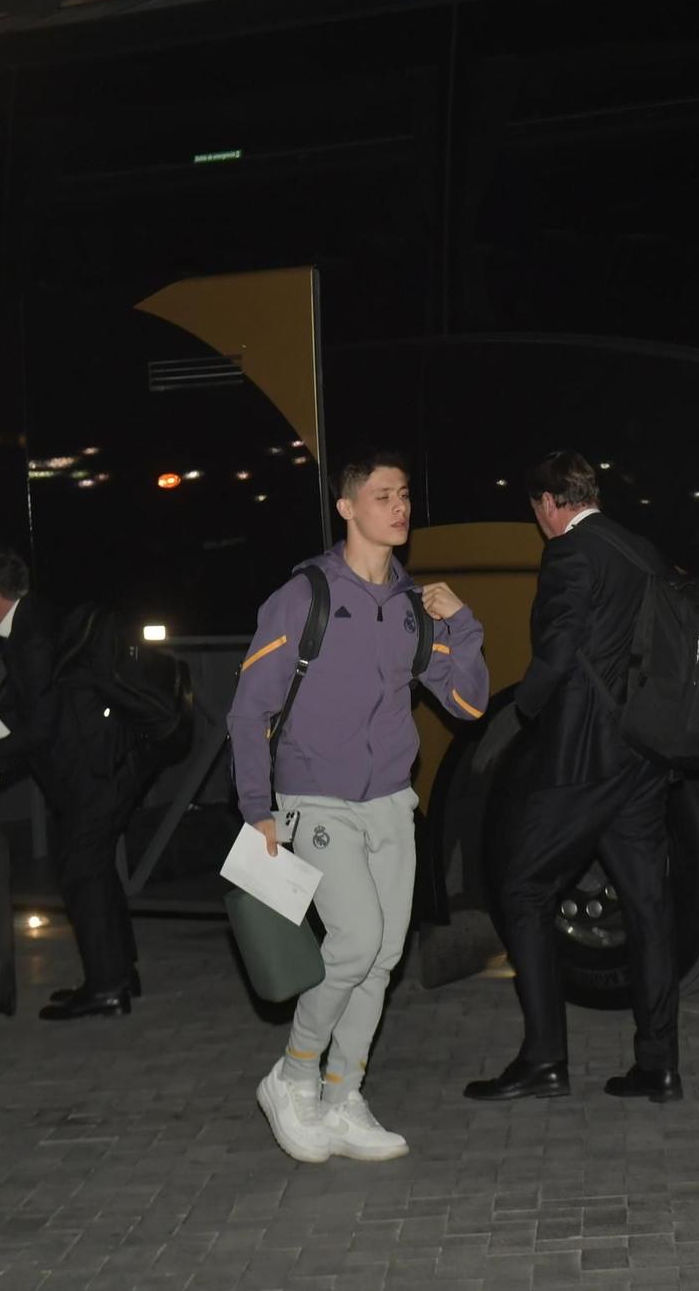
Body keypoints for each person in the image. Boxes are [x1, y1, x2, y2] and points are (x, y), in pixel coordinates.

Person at [229, 452, 489, 1162]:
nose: (398, 506)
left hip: (390, 803)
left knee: (382, 956)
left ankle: (344, 1097)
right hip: (315, 798)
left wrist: (463, 625)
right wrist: (257, 805)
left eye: (405, 493)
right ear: (347, 508)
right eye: (382, 495)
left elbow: (466, 702)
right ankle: (293, 1074)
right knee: (352, 942)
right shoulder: (304, 595)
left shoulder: (412, 604)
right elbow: (251, 706)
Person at [465, 450, 682, 1106]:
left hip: (584, 758)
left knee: (524, 889)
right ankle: (658, 1065)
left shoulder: (569, 552)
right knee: (647, 906)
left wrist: (521, 713)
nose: (539, 520)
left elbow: (557, 652)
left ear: (550, 502)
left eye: (537, 508)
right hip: (641, 757)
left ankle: (543, 1060)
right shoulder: (638, 547)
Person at [0, 548, 154, 1020]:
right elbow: (23, 705)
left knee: (81, 873)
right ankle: (119, 973)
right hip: (102, 767)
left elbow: (41, 727)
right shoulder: (32, 621)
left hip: (93, 773)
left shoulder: (31, 636)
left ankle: (106, 988)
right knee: (94, 871)